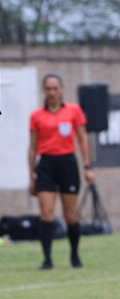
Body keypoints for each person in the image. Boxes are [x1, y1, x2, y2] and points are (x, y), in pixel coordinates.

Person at [28, 73, 94, 269]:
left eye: (55, 88)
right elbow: (32, 147)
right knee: (46, 213)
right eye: (48, 88)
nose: (52, 92)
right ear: (43, 90)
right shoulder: (36, 115)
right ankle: (47, 259)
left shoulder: (74, 111)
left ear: (62, 89)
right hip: (46, 164)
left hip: (68, 164)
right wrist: (31, 175)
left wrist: (87, 167)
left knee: (71, 216)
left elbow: (83, 141)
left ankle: (75, 255)